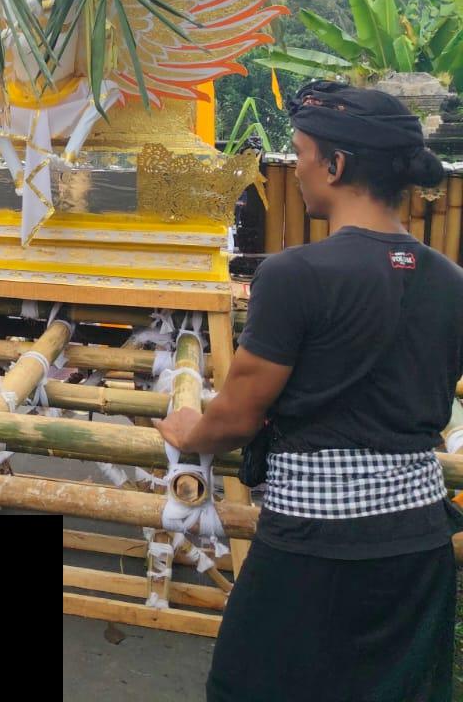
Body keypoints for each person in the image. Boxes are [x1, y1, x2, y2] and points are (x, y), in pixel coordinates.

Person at [155, 81, 463, 702]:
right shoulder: (450, 279)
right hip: (419, 544)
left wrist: (192, 430)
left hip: (315, 543)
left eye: (300, 152)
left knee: (251, 689)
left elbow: (239, 413)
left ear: (337, 163)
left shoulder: (295, 274)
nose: (295, 169)